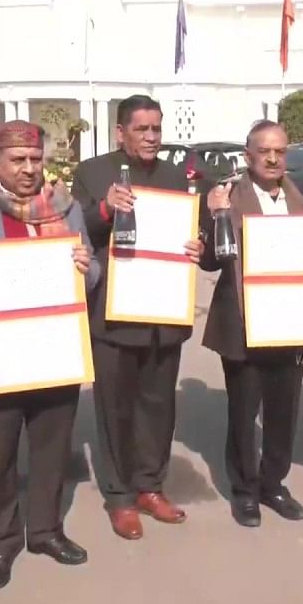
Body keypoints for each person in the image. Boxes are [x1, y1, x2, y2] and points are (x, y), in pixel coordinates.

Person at [0, 122, 99, 590]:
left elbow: (91, 272)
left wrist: (84, 269)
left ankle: (46, 530)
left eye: (35, 160)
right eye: (17, 160)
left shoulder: (68, 210)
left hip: (54, 346)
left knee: (52, 447)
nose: (28, 169)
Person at [73, 95, 205, 540]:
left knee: (158, 406)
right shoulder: (93, 173)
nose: (151, 137)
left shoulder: (173, 178)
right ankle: (120, 497)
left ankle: (150, 486)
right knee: (115, 409)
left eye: (156, 128)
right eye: (142, 129)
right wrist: (105, 208)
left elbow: (192, 233)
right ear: (120, 132)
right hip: (115, 312)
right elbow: (78, 231)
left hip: (164, 311)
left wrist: (196, 246)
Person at [197, 120, 303, 527]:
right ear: (248, 156)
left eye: (280, 151)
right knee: (244, 411)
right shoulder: (227, 197)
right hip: (242, 321)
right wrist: (214, 217)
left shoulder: (300, 198)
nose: (273, 158)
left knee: (283, 411)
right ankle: (245, 490)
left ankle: (273, 483)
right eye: (265, 151)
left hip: (290, 322)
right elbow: (208, 260)